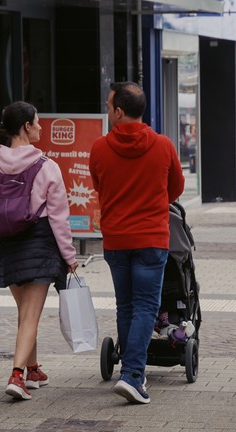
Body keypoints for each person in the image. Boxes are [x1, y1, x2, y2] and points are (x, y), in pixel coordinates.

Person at [89, 81, 185, 404]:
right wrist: (153, 203)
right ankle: (133, 375)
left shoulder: (99, 149)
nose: (107, 110)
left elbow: (98, 186)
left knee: (126, 305)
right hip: (152, 238)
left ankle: (131, 372)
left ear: (119, 111)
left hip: (116, 238)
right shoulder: (163, 145)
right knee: (146, 306)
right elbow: (176, 188)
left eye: (108, 105)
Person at [0, 101, 78, 401]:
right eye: (37, 122)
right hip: (39, 243)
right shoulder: (47, 167)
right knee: (31, 315)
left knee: (25, 312)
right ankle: (17, 375)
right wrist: (70, 257)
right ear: (25, 127)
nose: (41, 127)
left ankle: (33, 369)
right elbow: (59, 217)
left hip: (5, 245)